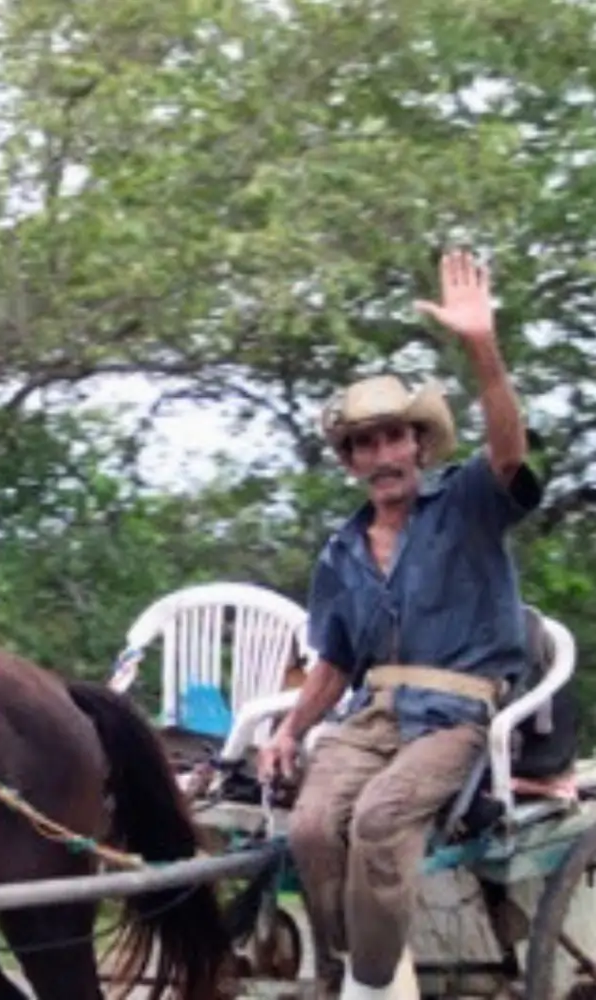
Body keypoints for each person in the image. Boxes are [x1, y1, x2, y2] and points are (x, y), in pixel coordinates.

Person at [257, 249, 544, 1000]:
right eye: (365, 443)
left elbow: (509, 451)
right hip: (371, 716)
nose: (383, 454)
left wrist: (482, 346)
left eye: (394, 437)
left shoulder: (467, 504)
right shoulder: (340, 551)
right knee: (311, 829)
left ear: (418, 444)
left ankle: (369, 983)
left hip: (456, 715)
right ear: (351, 460)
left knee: (381, 819)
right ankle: (353, 970)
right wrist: (288, 732)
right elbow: (332, 663)